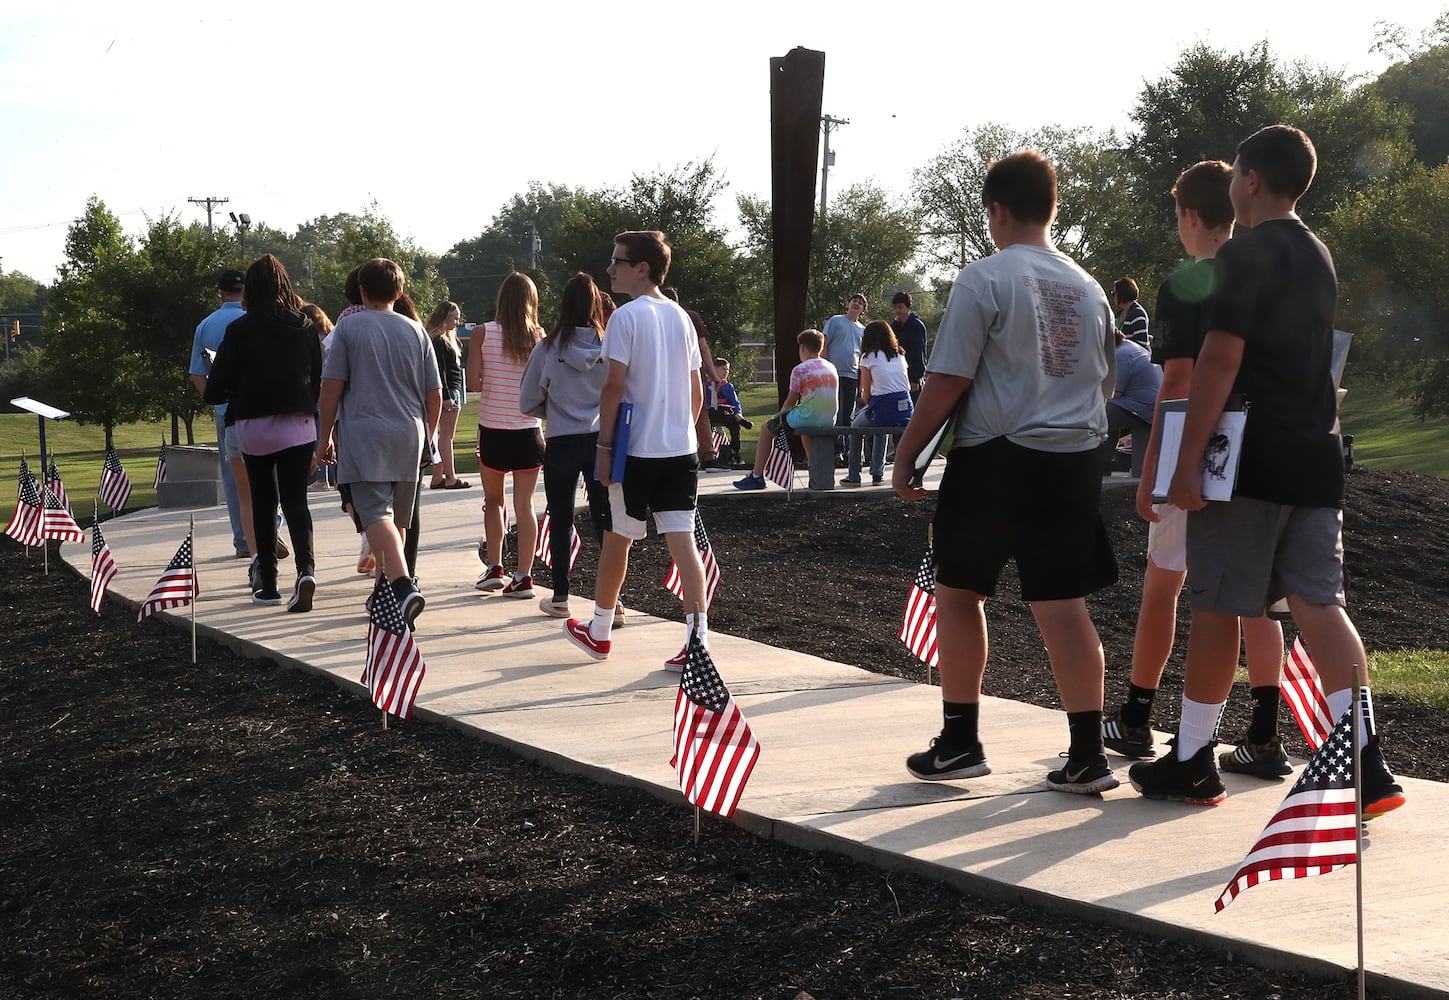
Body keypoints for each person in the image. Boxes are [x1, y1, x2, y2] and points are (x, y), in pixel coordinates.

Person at [1129, 126, 1405, 818]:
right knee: (1318, 603)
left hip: (1248, 460)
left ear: (1248, 180)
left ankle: (1192, 761)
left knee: (1218, 603)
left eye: (1233, 177)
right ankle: (1367, 762)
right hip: (1315, 454)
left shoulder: (1242, 254)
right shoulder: (1318, 254)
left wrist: (1186, 461)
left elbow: (1219, 361)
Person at [891, 150, 1120, 795]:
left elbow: (947, 382)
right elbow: (1100, 381)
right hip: (1074, 458)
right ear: (1052, 207)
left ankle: (961, 740)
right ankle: (1087, 754)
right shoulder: (1089, 287)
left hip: (996, 457)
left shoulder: (984, 280)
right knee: (1063, 605)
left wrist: (906, 455)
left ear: (996, 210)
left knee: (960, 594)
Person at [1102, 160, 1289, 773]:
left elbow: (1177, 380)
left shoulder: (1189, 282)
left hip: (1199, 445)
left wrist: (1154, 463)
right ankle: (1265, 731)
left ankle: (1136, 715)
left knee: (1166, 580)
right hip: (1259, 449)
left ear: (1188, 215)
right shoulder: (1265, 268)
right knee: (1257, 597)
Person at [562, 230, 709, 671]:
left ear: (641, 268)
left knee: (617, 538)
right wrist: (683, 428)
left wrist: (605, 446)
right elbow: (696, 391)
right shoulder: (681, 317)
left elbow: (613, 387)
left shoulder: (626, 318)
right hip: (679, 450)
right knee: (684, 543)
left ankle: (600, 631)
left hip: (636, 449)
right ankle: (697, 643)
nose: (610, 268)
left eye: (617, 261)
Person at [318, 257, 441, 631]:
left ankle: (402, 587)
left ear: (362, 291)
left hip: (366, 433)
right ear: (399, 293)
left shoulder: (348, 328)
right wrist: (429, 437)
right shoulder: (416, 331)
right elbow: (434, 393)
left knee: (374, 516)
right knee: (397, 523)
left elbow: (331, 387)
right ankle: (384, 600)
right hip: (410, 432)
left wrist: (323, 437)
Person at [204, 255, 321, 610]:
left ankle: (268, 584)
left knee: (264, 502)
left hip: (254, 426)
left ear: (250, 289)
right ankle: (306, 570)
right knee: (296, 502)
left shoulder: (239, 330)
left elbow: (216, 390)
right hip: (298, 425)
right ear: (284, 285)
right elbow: (316, 377)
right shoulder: (303, 324)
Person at [519, 272, 613, 619]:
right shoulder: (611, 346)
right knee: (606, 518)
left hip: (561, 438)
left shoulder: (548, 348)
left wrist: (555, 409)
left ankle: (561, 595)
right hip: (602, 439)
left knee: (560, 517)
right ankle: (611, 600)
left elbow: (527, 400)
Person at [468, 273, 545, 598]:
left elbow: (473, 383)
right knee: (525, 505)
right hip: (528, 431)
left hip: (493, 430)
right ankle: (524, 575)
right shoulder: (538, 336)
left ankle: (495, 568)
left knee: (494, 501)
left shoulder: (482, 333)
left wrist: (496, 385)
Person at [188, 269, 253, 560]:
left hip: (227, 410)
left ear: (220, 292)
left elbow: (197, 374)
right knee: (267, 471)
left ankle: (243, 538)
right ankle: (270, 527)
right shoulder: (255, 319)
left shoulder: (206, 325)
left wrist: (215, 401)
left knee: (233, 477)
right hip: (263, 407)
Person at [733, 329, 838, 491]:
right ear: (821, 348)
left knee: (766, 429)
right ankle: (813, 470)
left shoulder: (800, 370)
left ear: (802, 348)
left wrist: (776, 418)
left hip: (807, 417)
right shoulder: (831, 367)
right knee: (806, 431)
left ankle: (757, 476)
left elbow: (790, 402)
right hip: (828, 418)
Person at [842, 320, 913, 487]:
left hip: (884, 406)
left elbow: (866, 393)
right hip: (906, 407)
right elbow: (905, 384)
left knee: (855, 427)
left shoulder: (868, 358)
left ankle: (854, 474)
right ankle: (877, 473)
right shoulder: (900, 355)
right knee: (880, 428)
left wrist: (868, 402)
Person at [1100, 328, 1162, 474]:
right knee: (1110, 418)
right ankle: (1103, 465)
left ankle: (1097, 464)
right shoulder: (1132, 348)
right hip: (1152, 407)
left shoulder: (1120, 355)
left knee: (1097, 416)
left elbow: (1113, 393)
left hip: (1139, 406)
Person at [426, 300, 470, 490]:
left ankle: (437, 477)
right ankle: (450, 477)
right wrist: (445, 396)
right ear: (445, 317)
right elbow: (440, 371)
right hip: (448, 391)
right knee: (447, 436)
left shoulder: (447, 339)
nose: (457, 323)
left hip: (453, 390)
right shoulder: (438, 340)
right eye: (455, 318)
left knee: (441, 435)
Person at [822, 293, 867, 460]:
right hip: (835, 374)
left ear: (863, 309)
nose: (856, 304)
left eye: (860, 303)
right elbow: (824, 344)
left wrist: (862, 383)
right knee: (836, 410)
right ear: (848, 304)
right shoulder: (836, 321)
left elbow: (863, 357)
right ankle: (836, 449)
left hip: (853, 375)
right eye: (854, 301)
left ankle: (849, 450)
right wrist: (826, 368)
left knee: (848, 414)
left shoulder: (863, 329)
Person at [301, 303, 336, 490]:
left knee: (318, 435)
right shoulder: (331, 337)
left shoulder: (313, 339)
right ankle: (334, 475)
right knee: (330, 434)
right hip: (332, 388)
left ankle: (321, 477)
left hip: (317, 389)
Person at [705, 358, 751, 468]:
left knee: (734, 424)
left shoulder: (728, 387)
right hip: (710, 413)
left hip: (726, 413)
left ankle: (735, 452)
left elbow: (735, 403)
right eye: (723, 369)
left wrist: (738, 413)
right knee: (708, 424)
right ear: (714, 369)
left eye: (728, 370)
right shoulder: (706, 385)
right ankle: (706, 453)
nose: (726, 372)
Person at [890, 291, 929, 400]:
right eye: (895, 308)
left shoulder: (916, 326)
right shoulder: (893, 326)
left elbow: (919, 353)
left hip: (912, 375)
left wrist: (915, 379)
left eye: (900, 307)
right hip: (897, 374)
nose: (898, 310)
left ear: (908, 307)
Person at [1114, 277, 1150, 351]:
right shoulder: (1119, 314)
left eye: (1114, 293)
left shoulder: (1138, 314)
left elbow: (1142, 343)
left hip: (1135, 359)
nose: (1113, 296)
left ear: (1121, 294)